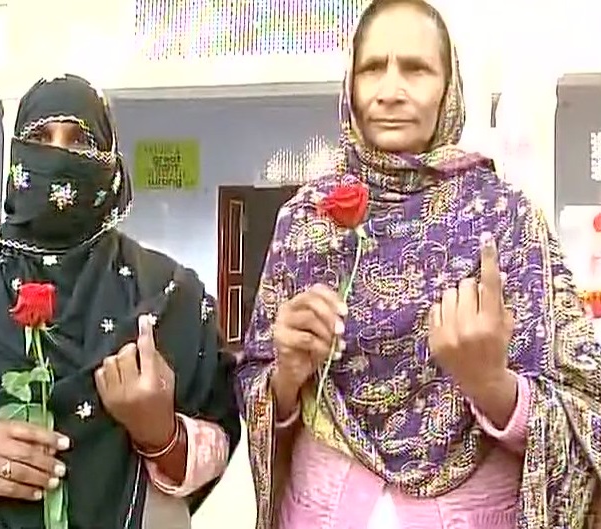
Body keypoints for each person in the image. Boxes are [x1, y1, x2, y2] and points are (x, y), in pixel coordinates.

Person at [236, 1, 601, 528]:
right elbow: (256, 383)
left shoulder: (508, 220)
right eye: (371, 68)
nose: (389, 90)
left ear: (448, 88)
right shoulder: (305, 221)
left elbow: (585, 407)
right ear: (350, 85)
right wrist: (287, 375)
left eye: (416, 68)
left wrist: (491, 385)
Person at [0, 74, 240, 529]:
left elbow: (222, 434)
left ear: (110, 159)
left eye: (81, 140)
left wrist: (162, 435)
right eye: (40, 138)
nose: (59, 156)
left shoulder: (168, 293)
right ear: (15, 158)